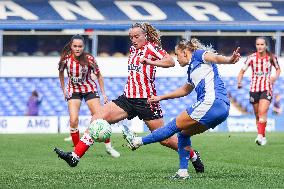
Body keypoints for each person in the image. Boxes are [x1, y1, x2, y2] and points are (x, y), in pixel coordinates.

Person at [54, 23, 204, 173]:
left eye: (136, 36)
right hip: (128, 98)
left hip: (146, 101)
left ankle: (192, 155)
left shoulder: (151, 47)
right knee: (97, 118)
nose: (133, 40)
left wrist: (150, 61)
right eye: (131, 37)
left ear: (145, 36)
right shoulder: (133, 49)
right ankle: (75, 156)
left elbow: (170, 62)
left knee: (165, 139)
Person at [122, 38, 240, 179]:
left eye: (177, 55)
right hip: (222, 109)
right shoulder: (191, 71)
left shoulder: (198, 55)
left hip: (211, 102)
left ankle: (137, 141)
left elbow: (214, 57)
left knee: (172, 126)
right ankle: (183, 172)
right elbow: (184, 90)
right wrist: (161, 97)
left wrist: (229, 59)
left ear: (185, 52)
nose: (176, 59)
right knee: (183, 135)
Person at [57, 34, 120, 158]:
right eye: (75, 46)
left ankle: (109, 147)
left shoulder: (89, 59)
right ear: (71, 46)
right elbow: (60, 73)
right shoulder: (65, 59)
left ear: (83, 47)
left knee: (100, 118)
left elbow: (99, 76)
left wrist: (103, 93)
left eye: (80, 46)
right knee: (74, 120)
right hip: (73, 90)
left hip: (89, 89)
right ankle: (77, 152)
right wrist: (64, 89)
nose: (77, 49)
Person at [237, 37, 281, 146]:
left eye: (262, 44)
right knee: (257, 115)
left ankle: (260, 136)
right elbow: (241, 71)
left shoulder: (271, 57)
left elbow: (278, 69)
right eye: (258, 44)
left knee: (262, 112)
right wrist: (239, 82)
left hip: (267, 88)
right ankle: (262, 136)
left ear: (266, 45)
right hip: (254, 88)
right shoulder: (251, 58)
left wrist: (275, 77)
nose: (260, 46)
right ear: (256, 45)